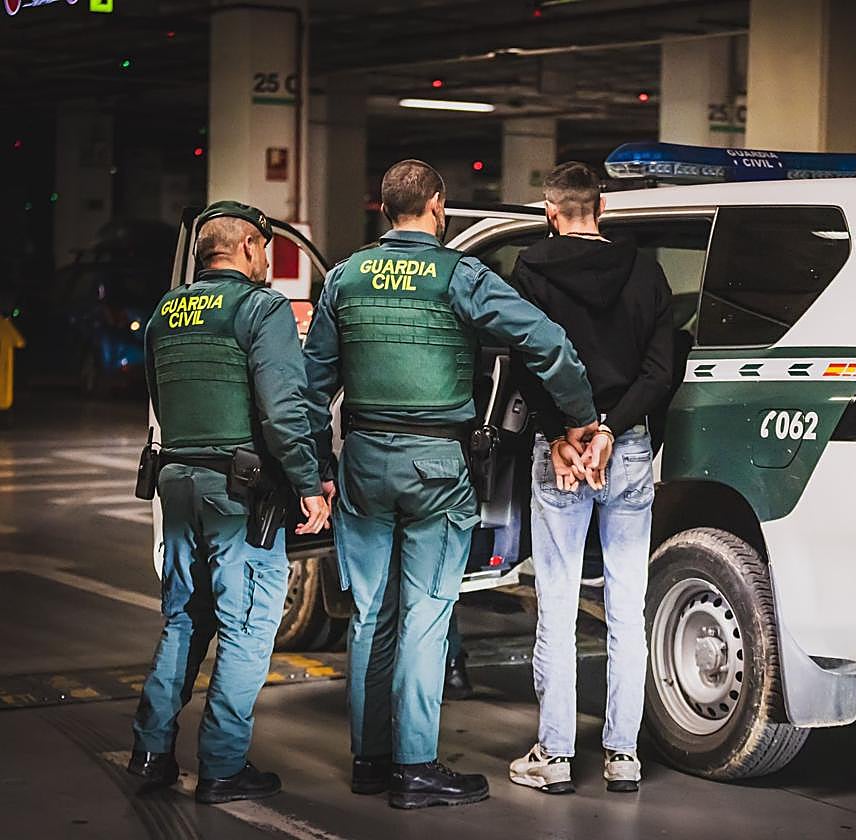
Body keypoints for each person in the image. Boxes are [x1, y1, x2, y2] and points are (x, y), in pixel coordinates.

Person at [302, 160, 598, 810]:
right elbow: (548, 343)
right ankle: (414, 768)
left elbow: (310, 387)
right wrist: (580, 419)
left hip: (363, 461)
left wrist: (312, 471)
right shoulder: (459, 276)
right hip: (435, 466)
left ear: (383, 209)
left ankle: (369, 761)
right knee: (426, 616)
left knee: (371, 613)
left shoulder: (345, 278)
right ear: (438, 205)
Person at [128, 201, 331, 805]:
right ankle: (221, 766)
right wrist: (307, 483)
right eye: (265, 248)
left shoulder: (165, 313)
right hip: (238, 491)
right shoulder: (259, 308)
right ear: (245, 248)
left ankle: (150, 750)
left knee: (185, 617)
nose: (268, 259)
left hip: (178, 478)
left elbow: (159, 397)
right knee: (247, 626)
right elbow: (283, 410)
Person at [507, 161, 674, 795]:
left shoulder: (531, 269)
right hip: (624, 448)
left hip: (561, 452)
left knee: (556, 603)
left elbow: (529, 359)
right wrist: (608, 429)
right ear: (600, 206)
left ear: (552, 212)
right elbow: (660, 372)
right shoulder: (646, 272)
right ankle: (622, 755)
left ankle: (553, 757)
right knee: (627, 608)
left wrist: (562, 433)